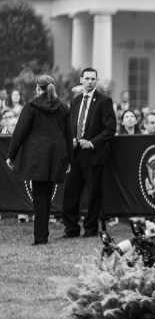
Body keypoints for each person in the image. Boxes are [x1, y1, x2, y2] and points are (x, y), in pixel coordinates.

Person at [5, 75, 72, 245]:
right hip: (56, 157)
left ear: (37, 89)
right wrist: (69, 159)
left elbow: (19, 131)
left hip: (37, 158)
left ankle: (40, 237)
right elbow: (68, 135)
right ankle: (43, 235)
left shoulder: (31, 106)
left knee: (40, 197)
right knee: (47, 196)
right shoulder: (63, 108)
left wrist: (11, 155)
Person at [61, 67, 117, 238]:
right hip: (76, 154)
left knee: (93, 195)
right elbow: (72, 123)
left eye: (93, 79)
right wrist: (71, 138)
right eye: (87, 78)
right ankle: (71, 229)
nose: (90, 82)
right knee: (70, 193)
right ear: (81, 80)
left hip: (94, 155)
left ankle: (91, 229)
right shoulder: (76, 100)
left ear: (96, 81)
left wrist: (92, 143)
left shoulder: (104, 100)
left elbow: (110, 128)